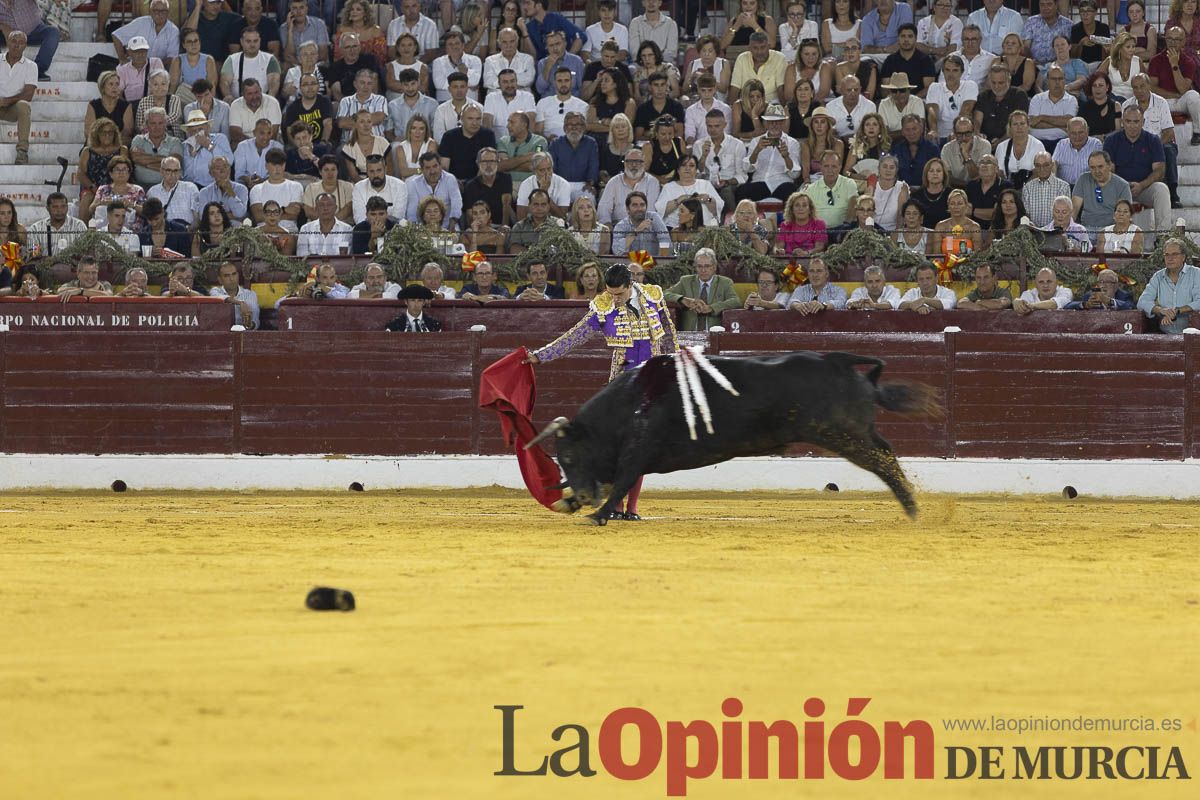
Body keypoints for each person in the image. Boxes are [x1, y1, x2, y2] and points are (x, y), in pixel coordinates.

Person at [525, 262, 678, 519]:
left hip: (653, 380)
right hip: (622, 381)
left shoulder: (653, 296)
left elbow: (669, 336)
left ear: (631, 285)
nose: (614, 298)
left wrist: (673, 367)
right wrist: (541, 356)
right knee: (620, 446)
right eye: (611, 293)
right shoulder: (604, 305)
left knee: (641, 445)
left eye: (619, 293)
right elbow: (576, 335)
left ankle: (632, 508)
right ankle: (617, 506)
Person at [1104, 105, 1169, 239]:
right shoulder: (1111, 140)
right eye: (1128, 121)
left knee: (1161, 189)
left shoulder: (1153, 140)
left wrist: (1142, 185)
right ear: (1122, 122)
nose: (1132, 126)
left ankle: (1163, 238)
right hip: (1119, 189)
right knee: (1103, 187)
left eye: (1136, 121)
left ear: (1143, 122)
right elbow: (1109, 171)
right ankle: (1109, 236)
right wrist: (1124, 186)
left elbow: (1159, 171)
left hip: (1145, 187)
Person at [1124, 73, 1181, 210]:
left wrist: (1154, 147)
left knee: (1168, 150)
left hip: (1160, 143)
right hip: (1135, 144)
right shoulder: (1127, 105)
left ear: (1149, 86)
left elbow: (1168, 132)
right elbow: (1124, 131)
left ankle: (1173, 194)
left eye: (1142, 86)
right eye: (1135, 87)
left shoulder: (1161, 103)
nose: (1139, 90)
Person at [663, 247, 739, 332]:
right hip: (689, 334)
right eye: (699, 266)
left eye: (707, 266)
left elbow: (735, 301)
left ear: (714, 267)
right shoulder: (686, 281)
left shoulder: (725, 282)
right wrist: (682, 299)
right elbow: (664, 294)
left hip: (714, 335)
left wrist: (712, 308)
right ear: (695, 267)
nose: (703, 270)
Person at [1148, 26, 1200, 148]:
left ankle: (1198, 132)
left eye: (1177, 40)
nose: (1173, 43)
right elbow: (1152, 88)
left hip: (1180, 102)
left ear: (1183, 42)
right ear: (1165, 39)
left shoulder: (1189, 62)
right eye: (1170, 39)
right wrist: (1174, 95)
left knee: (1194, 95)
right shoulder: (1156, 60)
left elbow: (1183, 89)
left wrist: (1174, 65)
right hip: (1163, 101)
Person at [1137, 237, 1200, 333]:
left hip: (1193, 335)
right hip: (1164, 334)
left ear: (1183, 257)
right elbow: (1142, 302)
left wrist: (1178, 311)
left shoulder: (1196, 274)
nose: (1170, 258)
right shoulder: (1158, 276)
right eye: (1167, 255)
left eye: (1174, 254)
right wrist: (1162, 310)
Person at [738, 103, 799, 202]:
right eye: (771, 122)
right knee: (742, 191)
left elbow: (795, 175)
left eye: (777, 122)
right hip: (759, 182)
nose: (774, 125)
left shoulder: (792, 143)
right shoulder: (756, 141)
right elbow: (747, 169)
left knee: (790, 191)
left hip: (782, 183)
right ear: (766, 123)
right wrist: (757, 150)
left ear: (783, 122)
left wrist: (786, 156)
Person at [1072, 150, 1133, 232]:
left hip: (1110, 231)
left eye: (1100, 167)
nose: (1097, 171)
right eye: (1092, 168)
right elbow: (1074, 209)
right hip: (1086, 229)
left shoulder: (1122, 185)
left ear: (1109, 166)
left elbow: (1125, 216)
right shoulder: (1083, 179)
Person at [0, 0, 57, 83]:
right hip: (10, 36)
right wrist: (2, 26)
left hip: (34, 31)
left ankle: (37, 71)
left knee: (53, 32)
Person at [598, 149, 660, 226]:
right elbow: (604, 208)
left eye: (637, 161)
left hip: (644, 225)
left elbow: (651, 210)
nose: (634, 165)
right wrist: (607, 225)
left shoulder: (652, 182)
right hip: (618, 226)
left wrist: (641, 227)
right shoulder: (614, 181)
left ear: (644, 164)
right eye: (630, 161)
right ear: (624, 164)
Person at [974, 65, 1030, 149]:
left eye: (1001, 83)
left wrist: (1001, 142)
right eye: (993, 82)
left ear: (1009, 81)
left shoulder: (1019, 95)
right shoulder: (984, 96)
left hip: (1010, 142)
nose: (996, 87)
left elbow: (1018, 124)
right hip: (984, 143)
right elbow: (977, 120)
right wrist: (978, 135)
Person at [926, 56, 978, 144]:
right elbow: (932, 111)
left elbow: (966, 110)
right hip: (940, 136)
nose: (951, 74)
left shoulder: (970, 85)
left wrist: (956, 132)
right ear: (942, 71)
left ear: (962, 72)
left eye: (955, 70)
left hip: (962, 134)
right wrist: (933, 130)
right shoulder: (934, 87)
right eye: (947, 70)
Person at [219, 28, 281, 100]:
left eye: (255, 41)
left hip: (262, 102)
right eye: (248, 41)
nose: (252, 44)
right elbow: (224, 82)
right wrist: (228, 96)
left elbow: (274, 82)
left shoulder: (270, 59)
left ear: (260, 41)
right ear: (241, 42)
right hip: (238, 103)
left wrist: (269, 101)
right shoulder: (232, 59)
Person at [804, 149, 858, 232]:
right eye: (826, 166)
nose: (830, 170)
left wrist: (845, 227)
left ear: (840, 167)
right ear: (820, 167)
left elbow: (853, 207)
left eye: (834, 166)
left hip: (843, 231)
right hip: (818, 233)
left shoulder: (849, 184)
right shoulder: (811, 189)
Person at [729, 31, 788, 106]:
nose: (759, 52)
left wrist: (783, 110)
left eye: (763, 47)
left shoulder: (779, 58)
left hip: (771, 105)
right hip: (747, 105)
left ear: (769, 46)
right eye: (755, 48)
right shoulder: (742, 58)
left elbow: (780, 89)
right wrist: (731, 109)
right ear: (749, 48)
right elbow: (735, 88)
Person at [248, 150, 303, 227]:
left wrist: (268, 214)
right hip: (263, 232)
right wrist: (284, 210)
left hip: (288, 231)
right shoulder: (256, 189)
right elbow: (258, 217)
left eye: (280, 165)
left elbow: (294, 214)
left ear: (284, 165)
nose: (277, 169)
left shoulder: (296, 186)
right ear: (266, 166)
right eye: (274, 165)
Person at [461, 147, 513, 229]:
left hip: (501, 226)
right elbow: (470, 214)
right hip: (481, 227)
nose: (488, 165)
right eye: (484, 161)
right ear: (478, 163)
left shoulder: (505, 179)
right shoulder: (470, 186)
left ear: (498, 162)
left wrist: (503, 229)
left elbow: (506, 205)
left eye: (492, 161)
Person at [879, 25, 936, 98]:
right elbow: (885, 88)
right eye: (903, 36)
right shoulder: (890, 60)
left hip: (918, 100)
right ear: (898, 39)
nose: (906, 39)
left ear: (915, 39)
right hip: (894, 100)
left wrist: (911, 101)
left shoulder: (926, 60)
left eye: (910, 36)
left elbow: (929, 88)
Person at [611, 191, 670, 258]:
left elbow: (665, 240)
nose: (639, 209)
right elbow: (616, 251)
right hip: (631, 265)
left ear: (646, 207)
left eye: (642, 205)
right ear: (627, 209)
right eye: (635, 205)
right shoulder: (621, 226)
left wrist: (661, 263)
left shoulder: (654, 218)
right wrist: (636, 231)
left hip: (654, 264)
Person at [27, 192, 86, 258]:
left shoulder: (79, 226)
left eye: (63, 206)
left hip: (73, 266)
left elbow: (84, 253)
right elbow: (34, 255)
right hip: (45, 266)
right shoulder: (35, 229)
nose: (59, 210)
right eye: (55, 207)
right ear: (47, 208)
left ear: (67, 207)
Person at [497, 109, 548, 187]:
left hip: (531, 185)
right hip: (506, 185)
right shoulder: (503, 141)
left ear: (524, 125)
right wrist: (526, 157)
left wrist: (509, 165)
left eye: (512, 122)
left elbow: (533, 166)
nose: (508, 126)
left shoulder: (539, 141)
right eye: (508, 122)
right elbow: (500, 166)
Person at [1028, 65, 1076, 145]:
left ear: (1065, 81)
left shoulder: (1071, 100)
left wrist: (1042, 117)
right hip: (1037, 142)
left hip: (1062, 142)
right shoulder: (1037, 99)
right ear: (1047, 81)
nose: (1057, 82)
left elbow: (1068, 121)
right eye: (1053, 79)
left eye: (1060, 79)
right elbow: (1033, 123)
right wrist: (1061, 126)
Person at [485, 68, 536, 142]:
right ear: (499, 84)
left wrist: (528, 144)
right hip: (498, 143)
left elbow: (531, 122)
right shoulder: (491, 97)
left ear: (516, 82)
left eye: (512, 81)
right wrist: (489, 144)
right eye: (505, 82)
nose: (509, 85)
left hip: (521, 143)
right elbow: (487, 122)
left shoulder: (527, 97)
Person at [515, 151, 571, 219]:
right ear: (534, 171)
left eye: (549, 169)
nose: (547, 173)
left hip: (555, 226)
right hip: (531, 225)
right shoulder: (525, 184)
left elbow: (562, 217)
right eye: (542, 170)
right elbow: (521, 217)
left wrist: (544, 191)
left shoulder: (563, 184)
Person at [1021, 152, 1070, 228]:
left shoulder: (1063, 186)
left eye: (1046, 165)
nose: (1042, 169)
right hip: (1033, 231)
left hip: (1055, 231)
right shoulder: (1028, 187)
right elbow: (1026, 214)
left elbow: (1065, 214)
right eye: (1038, 166)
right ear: (1034, 167)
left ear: (1052, 165)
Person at [280, 0, 331, 72]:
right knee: (286, 66)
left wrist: (306, 66)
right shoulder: (284, 28)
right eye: (294, 8)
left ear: (307, 8)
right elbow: (288, 56)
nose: (298, 11)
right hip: (296, 66)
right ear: (290, 10)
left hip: (316, 64)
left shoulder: (319, 24)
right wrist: (290, 30)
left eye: (301, 7)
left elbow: (323, 55)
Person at [86, 70, 134, 147]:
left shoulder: (126, 106)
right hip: (97, 144)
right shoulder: (93, 105)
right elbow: (88, 131)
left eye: (117, 84)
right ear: (102, 87)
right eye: (111, 84)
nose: (114, 87)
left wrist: (111, 142)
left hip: (119, 144)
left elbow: (127, 132)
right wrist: (103, 142)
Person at [889, 113, 938, 187]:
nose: (911, 133)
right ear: (902, 131)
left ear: (921, 129)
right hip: (900, 190)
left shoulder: (932, 149)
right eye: (907, 130)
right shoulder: (896, 149)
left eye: (914, 129)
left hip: (926, 191)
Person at [1052, 117, 1104, 186]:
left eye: (1081, 132)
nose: (1077, 137)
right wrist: (1054, 181)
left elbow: (1100, 169)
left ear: (1087, 130)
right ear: (1068, 132)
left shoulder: (1095, 144)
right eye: (1073, 133)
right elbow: (1053, 164)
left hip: (1087, 187)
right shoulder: (1061, 144)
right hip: (1064, 187)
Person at [228, 78, 281, 145]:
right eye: (250, 94)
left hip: (269, 141)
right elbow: (235, 133)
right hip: (244, 143)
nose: (254, 97)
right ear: (243, 95)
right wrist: (253, 145)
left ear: (261, 90)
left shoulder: (272, 103)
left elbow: (274, 132)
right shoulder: (236, 105)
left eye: (256, 92)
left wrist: (259, 144)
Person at [484, 26, 534, 94]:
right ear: (499, 43)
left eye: (512, 41)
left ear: (517, 41)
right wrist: (517, 80)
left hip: (522, 100)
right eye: (504, 42)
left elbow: (528, 80)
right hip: (497, 100)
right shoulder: (490, 60)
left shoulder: (528, 59)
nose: (508, 45)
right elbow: (488, 81)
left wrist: (501, 81)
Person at [234, 118, 284, 187]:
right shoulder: (243, 146)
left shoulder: (278, 147)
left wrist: (263, 181)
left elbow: (280, 172)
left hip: (271, 186)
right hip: (247, 186)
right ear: (254, 132)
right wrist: (248, 179)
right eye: (262, 133)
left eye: (269, 133)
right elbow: (239, 173)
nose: (265, 137)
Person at [1021, 0, 1072, 67]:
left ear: (1056, 5)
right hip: (1034, 66)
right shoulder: (1031, 21)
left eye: (1049, 4)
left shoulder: (1068, 24)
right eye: (1042, 5)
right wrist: (1033, 62)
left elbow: (1071, 49)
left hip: (1060, 67)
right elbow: (1026, 47)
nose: (1045, 8)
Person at [210, 261, 260, 329]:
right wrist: (240, 303)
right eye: (227, 276)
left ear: (238, 275)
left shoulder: (250, 295)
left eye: (234, 274)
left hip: (245, 335)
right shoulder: (215, 291)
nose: (232, 279)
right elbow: (220, 298)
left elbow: (255, 321)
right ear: (220, 280)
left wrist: (249, 324)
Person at [824, 73, 876, 139]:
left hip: (863, 141)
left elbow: (872, 131)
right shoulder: (830, 107)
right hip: (838, 142)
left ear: (860, 89)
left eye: (856, 90)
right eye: (849, 90)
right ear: (841, 90)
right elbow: (829, 132)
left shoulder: (869, 106)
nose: (853, 93)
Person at [776, 191, 827, 256]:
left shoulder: (819, 224)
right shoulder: (785, 225)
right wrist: (779, 251)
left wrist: (806, 253)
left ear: (810, 209)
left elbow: (820, 248)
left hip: (811, 260)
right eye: (797, 205)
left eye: (804, 205)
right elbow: (778, 246)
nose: (801, 208)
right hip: (789, 260)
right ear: (792, 210)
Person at [933, 189, 983, 254]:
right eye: (952, 203)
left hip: (968, 263)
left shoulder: (974, 227)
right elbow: (936, 255)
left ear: (966, 205)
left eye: (960, 203)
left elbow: (978, 255)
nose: (956, 207)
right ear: (948, 206)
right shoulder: (940, 226)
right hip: (945, 263)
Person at [786, 39, 834, 105]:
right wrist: (802, 106)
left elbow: (823, 93)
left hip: (821, 104)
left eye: (814, 54)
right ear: (800, 54)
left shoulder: (825, 66)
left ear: (819, 54)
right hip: (797, 105)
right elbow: (788, 95)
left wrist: (808, 106)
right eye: (806, 54)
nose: (811, 58)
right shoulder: (791, 68)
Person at [950, 23, 997, 87]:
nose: (970, 43)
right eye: (966, 39)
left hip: (978, 95)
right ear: (962, 40)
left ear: (980, 40)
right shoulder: (951, 58)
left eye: (974, 39)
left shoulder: (991, 59)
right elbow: (943, 82)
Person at [910, 157, 951, 229]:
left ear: (944, 174)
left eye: (938, 171)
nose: (935, 173)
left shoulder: (952, 195)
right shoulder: (916, 196)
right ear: (926, 174)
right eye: (931, 171)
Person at [833, 38, 877, 105]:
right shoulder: (839, 68)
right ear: (844, 52)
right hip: (845, 104)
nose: (850, 52)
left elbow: (869, 95)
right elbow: (841, 92)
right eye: (847, 49)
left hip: (865, 104)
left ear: (860, 51)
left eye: (854, 48)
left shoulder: (870, 68)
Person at [1079, 72, 1122, 139]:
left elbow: (1118, 131)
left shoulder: (1116, 106)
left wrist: (1104, 137)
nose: (1097, 89)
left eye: (1101, 85)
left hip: (1110, 142)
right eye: (1094, 85)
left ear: (1107, 87)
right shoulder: (1084, 107)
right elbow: (1080, 131)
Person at [1066, 268, 1135, 310]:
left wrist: (1108, 301)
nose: (1103, 285)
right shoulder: (1090, 295)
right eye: (1101, 282)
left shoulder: (1124, 296)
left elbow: (1131, 307)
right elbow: (1067, 306)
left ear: (1116, 286)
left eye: (1108, 281)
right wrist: (1086, 305)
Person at [994, 32, 1036, 97]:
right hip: (999, 96)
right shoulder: (997, 60)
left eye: (1013, 43)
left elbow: (1027, 86)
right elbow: (989, 83)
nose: (1009, 45)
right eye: (1007, 43)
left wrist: (1008, 96)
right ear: (1003, 46)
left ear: (1020, 48)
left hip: (1022, 97)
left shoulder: (1028, 62)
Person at [1124, 0, 1158, 64]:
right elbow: (1119, 53)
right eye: (1131, 12)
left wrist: (1130, 54)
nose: (1134, 15)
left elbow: (1151, 54)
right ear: (1128, 14)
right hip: (1126, 65)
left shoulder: (1150, 30)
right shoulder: (1123, 30)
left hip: (1145, 65)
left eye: (1138, 11)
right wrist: (1141, 50)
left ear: (1143, 13)